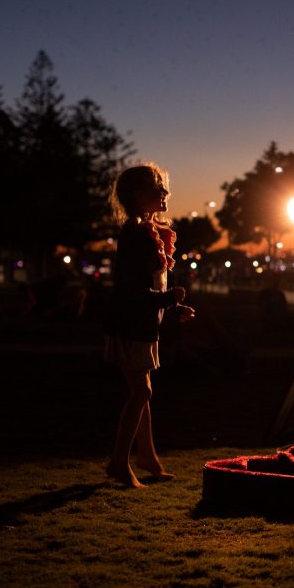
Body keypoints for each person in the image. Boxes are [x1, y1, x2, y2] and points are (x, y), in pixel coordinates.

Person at [104, 163, 195, 488]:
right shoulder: (135, 235)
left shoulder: (148, 234)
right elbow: (133, 291)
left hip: (141, 324)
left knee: (143, 391)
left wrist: (172, 305)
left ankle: (147, 458)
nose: (165, 193)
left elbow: (148, 290)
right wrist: (168, 299)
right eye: (158, 187)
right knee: (141, 391)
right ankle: (119, 461)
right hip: (130, 325)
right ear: (139, 195)